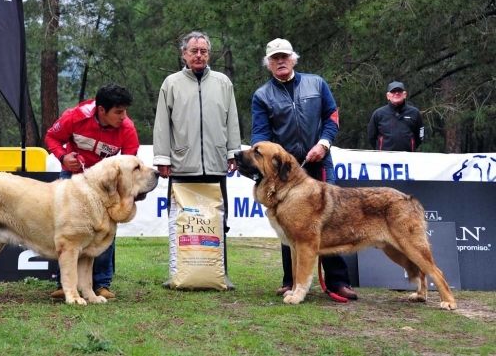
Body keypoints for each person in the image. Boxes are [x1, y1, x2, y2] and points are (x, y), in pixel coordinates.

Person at [250, 38, 357, 300]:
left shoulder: (317, 83)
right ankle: (291, 281)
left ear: (293, 59)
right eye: (275, 58)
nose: (281, 61)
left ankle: (338, 282)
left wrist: (324, 144)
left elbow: (332, 118)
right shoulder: (262, 95)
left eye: (284, 56)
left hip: (319, 161)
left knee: (332, 220)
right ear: (269, 64)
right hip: (286, 172)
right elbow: (260, 134)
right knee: (289, 221)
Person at [153, 31, 241, 288]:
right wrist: (162, 158)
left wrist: (232, 152)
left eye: (203, 51)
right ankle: (176, 273)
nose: (199, 55)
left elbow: (232, 120)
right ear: (184, 54)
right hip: (181, 164)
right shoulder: (171, 83)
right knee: (180, 222)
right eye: (194, 51)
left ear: (208, 54)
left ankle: (220, 274)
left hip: (215, 164)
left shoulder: (223, 83)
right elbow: (162, 125)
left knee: (217, 221)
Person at [44, 83, 139, 300]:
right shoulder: (74, 117)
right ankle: (64, 284)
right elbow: (52, 137)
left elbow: (130, 165)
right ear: (101, 110)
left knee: (106, 228)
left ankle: (101, 284)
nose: (123, 117)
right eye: (118, 112)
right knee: (69, 229)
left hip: (107, 185)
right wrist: (63, 157)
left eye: (125, 111)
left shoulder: (128, 129)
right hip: (75, 178)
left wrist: (128, 192)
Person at [368, 81, 424, 152]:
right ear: (388, 96)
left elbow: (419, 137)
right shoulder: (378, 114)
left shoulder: (415, 113)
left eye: (399, 91)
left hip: (408, 159)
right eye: (393, 91)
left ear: (405, 94)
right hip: (384, 159)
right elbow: (371, 138)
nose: (396, 93)